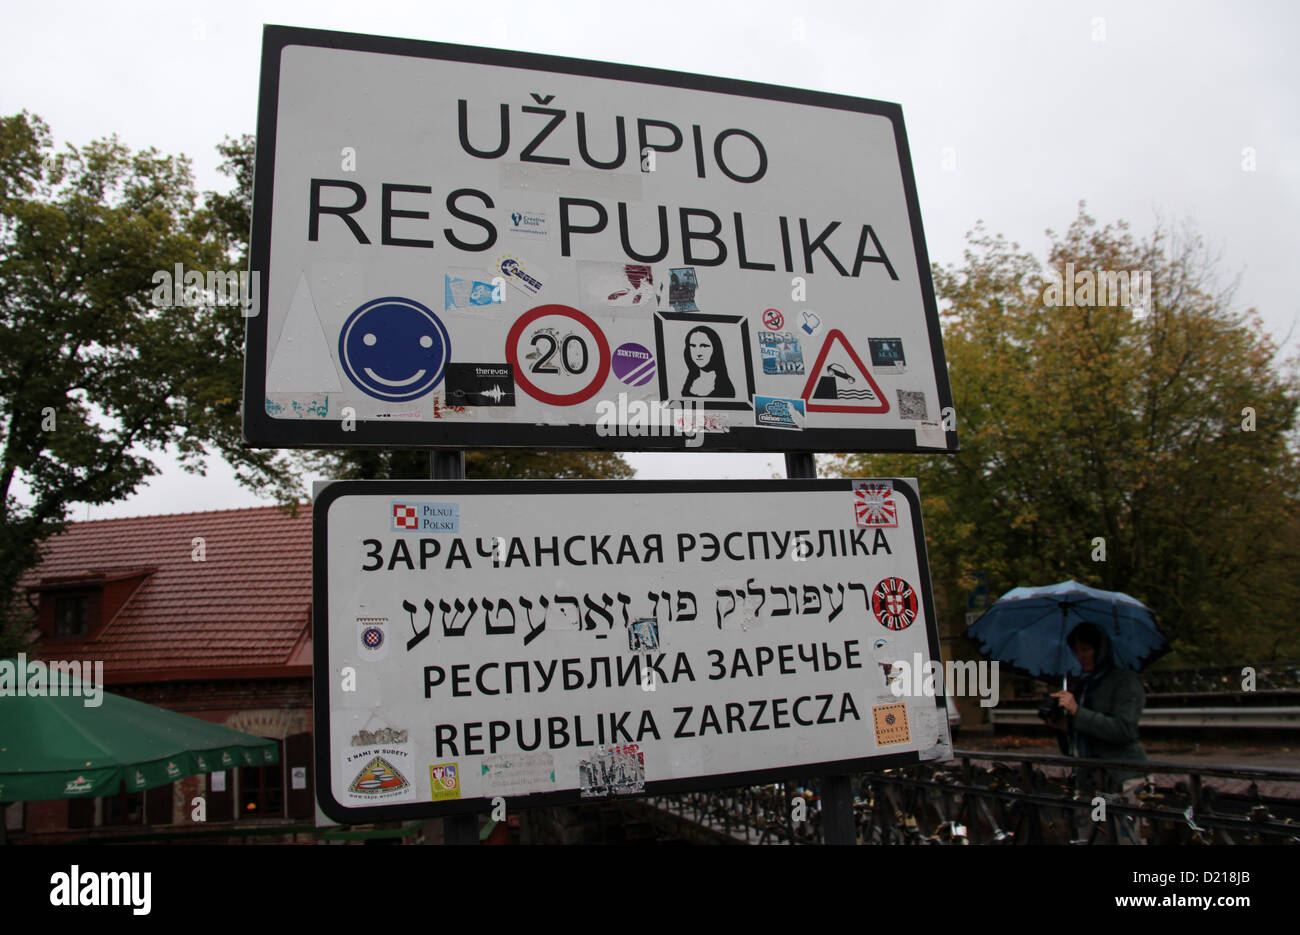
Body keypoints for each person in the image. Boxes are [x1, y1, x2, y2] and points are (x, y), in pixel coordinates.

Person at [1050, 621, 1149, 841]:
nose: (1080, 656)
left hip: (1122, 778)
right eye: (1076, 651)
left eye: (1086, 649)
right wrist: (1064, 726)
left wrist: (1078, 712)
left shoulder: (1125, 681)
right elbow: (1084, 730)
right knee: (1093, 837)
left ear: (1101, 649)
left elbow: (1123, 730)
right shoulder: (1083, 684)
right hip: (1089, 779)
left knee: (1125, 838)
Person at [680, 326, 735, 398]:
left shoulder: (726, 389)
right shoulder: (690, 381)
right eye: (693, 346)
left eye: (704, 346)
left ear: (715, 348)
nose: (698, 353)